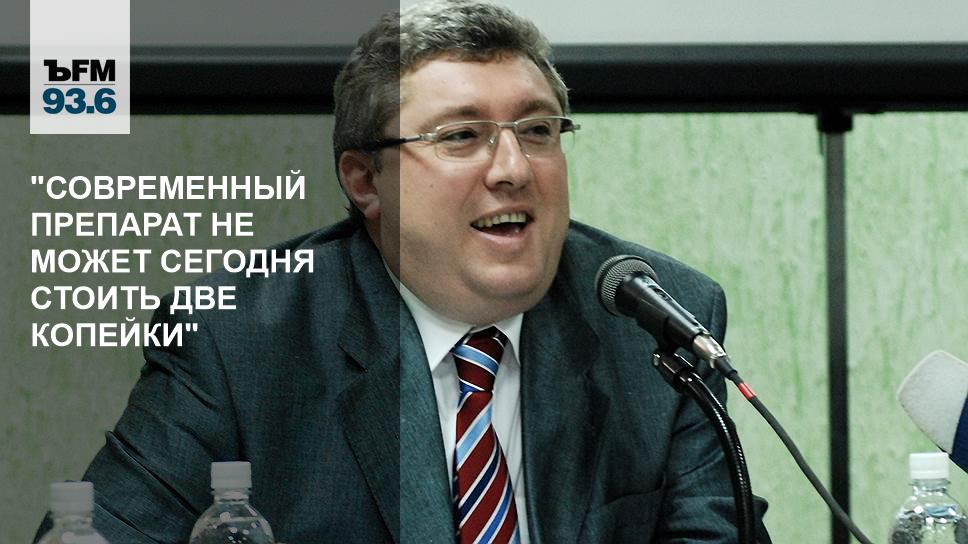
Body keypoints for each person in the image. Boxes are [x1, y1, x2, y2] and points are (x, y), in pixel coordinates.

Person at [36, 1, 771, 542]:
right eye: (462, 136)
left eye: (538, 130)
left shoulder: (650, 316)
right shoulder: (241, 337)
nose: (514, 168)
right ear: (366, 181)